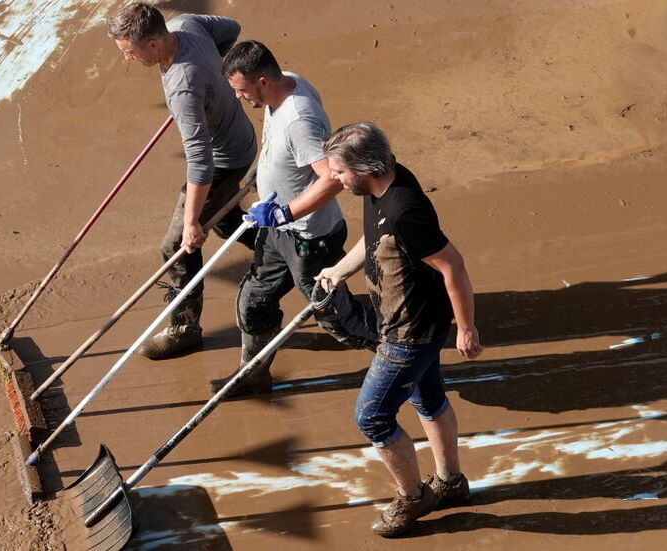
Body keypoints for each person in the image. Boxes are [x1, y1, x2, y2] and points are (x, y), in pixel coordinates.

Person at [315, 122, 483, 537]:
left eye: (339, 171)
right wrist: (339, 270)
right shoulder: (380, 187)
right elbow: (375, 237)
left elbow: (453, 265)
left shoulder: (406, 211)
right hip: (410, 322)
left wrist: (465, 329)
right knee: (428, 399)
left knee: (372, 417)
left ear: (364, 168)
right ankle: (450, 483)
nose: (333, 178)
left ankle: (413, 497)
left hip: (409, 333)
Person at [210, 40, 379, 395]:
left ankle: (401, 352)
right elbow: (281, 147)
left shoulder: (300, 120)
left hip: (309, 239)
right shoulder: (285, 82)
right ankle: (253, 375)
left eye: (241, 90)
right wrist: (263, 176)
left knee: (337, 319)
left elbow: (332, 179)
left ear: (262, 81)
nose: (239, 97)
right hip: (278, 231)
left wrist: (284, 211)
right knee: (253, 301)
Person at [107, 3, 257, 359]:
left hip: (224, 160)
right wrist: (212, 83)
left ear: (153, 44)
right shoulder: (186, 24)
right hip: (242, 138)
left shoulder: (183, 87)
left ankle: (185, 327)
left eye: (129, 52)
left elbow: (201, 163)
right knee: (222, 219)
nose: (127, 59)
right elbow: (232, 29)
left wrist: (190, 224)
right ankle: (284, 249)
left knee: (177, 245)